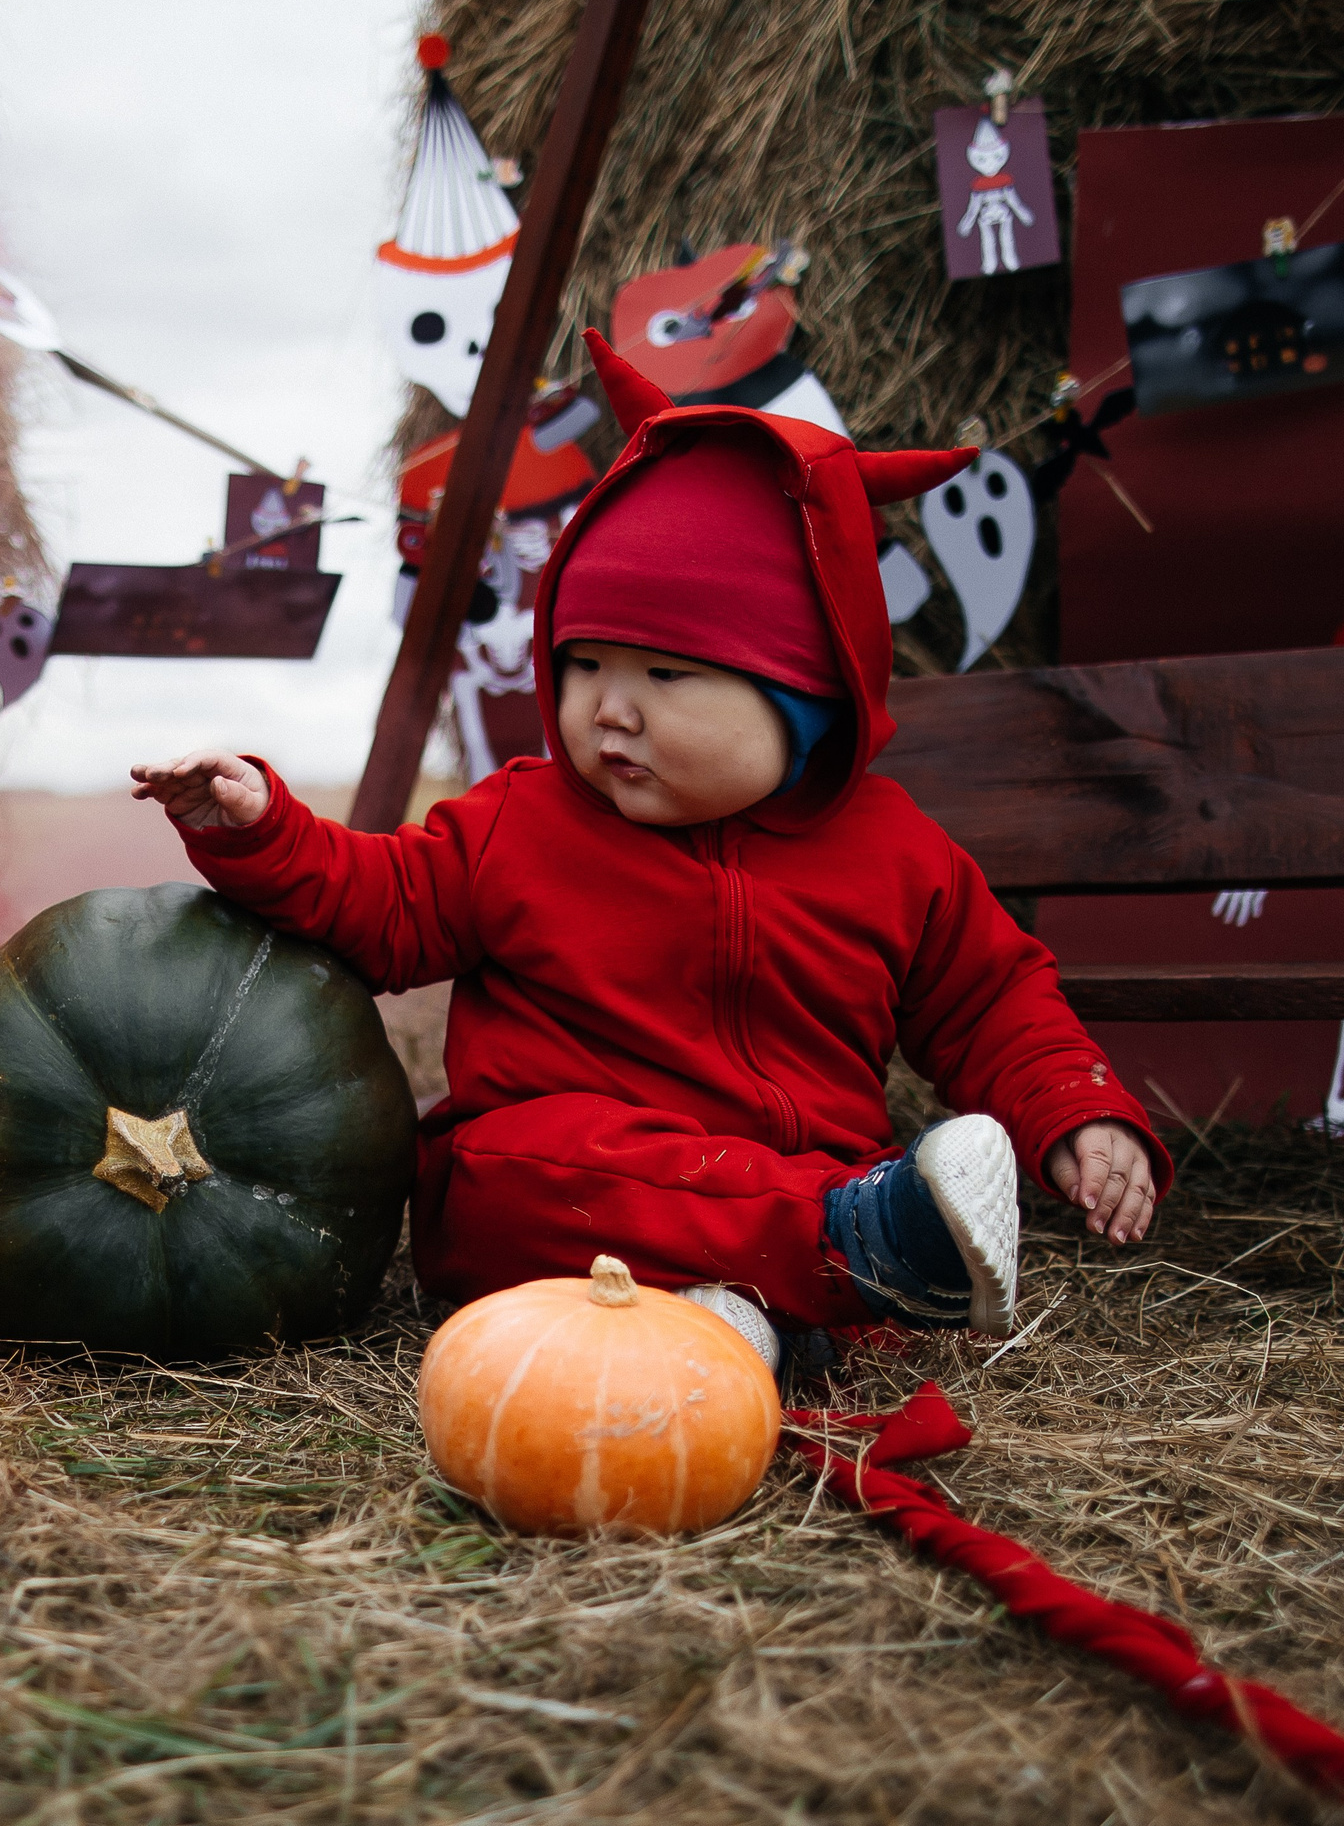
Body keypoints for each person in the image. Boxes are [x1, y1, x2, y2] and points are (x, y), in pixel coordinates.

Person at [131, 333, 1164, 1370]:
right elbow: (380, 903)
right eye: (581, 663)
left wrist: (1076, 1110)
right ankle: (829, 1270)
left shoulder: (897, 854)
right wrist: (258, 824)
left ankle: (774, 1295)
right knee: (493, 1164)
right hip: (581, 1201)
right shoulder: (518, 823)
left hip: (798, 1181)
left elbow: (992, 1002)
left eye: (665, 674)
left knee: (810, 1190)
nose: (606, 709)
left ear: (804, 694)